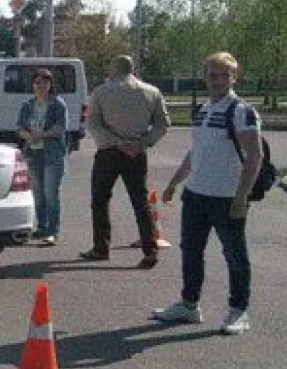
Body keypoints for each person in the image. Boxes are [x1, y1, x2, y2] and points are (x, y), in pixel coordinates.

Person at [151, 52, 261, 335]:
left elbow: (254, 157)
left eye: (225, 74)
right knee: (190, 251)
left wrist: (241, 196)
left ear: (234, 78)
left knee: (235, 255)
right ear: (205, 76)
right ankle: (189, 305)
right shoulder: (201, 110)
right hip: (196, 194)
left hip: (226, 198)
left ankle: (238, 311)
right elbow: (196, 151)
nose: (218, 79)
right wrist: (175, 182)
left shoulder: (241, 111)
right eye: (212, 74)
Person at [80, 55, 169, 268]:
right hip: (136, 153)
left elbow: (93, 123)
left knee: (100, 200)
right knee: (141, 201)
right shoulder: (151, 92)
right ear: (132, 69)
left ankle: (101, 247)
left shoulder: (101, 92)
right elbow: (162, 124)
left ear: (114, 68)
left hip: (109, 152)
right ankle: (150, 250)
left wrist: (116, 142)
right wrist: (142, 143)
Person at [15, 68, 69, 246]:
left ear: (50, 84)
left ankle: (53, 231)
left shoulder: (58, 104)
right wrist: (27, 136)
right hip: (33, 152)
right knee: (37, 192)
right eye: (38, 83)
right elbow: (20, 127)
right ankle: (41, 226)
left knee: (51, 193)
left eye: (45, 82)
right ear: (33, 85)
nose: (41, 86)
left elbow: (59, 128)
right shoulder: (27, 105)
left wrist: (42, 135)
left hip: (52, 153)